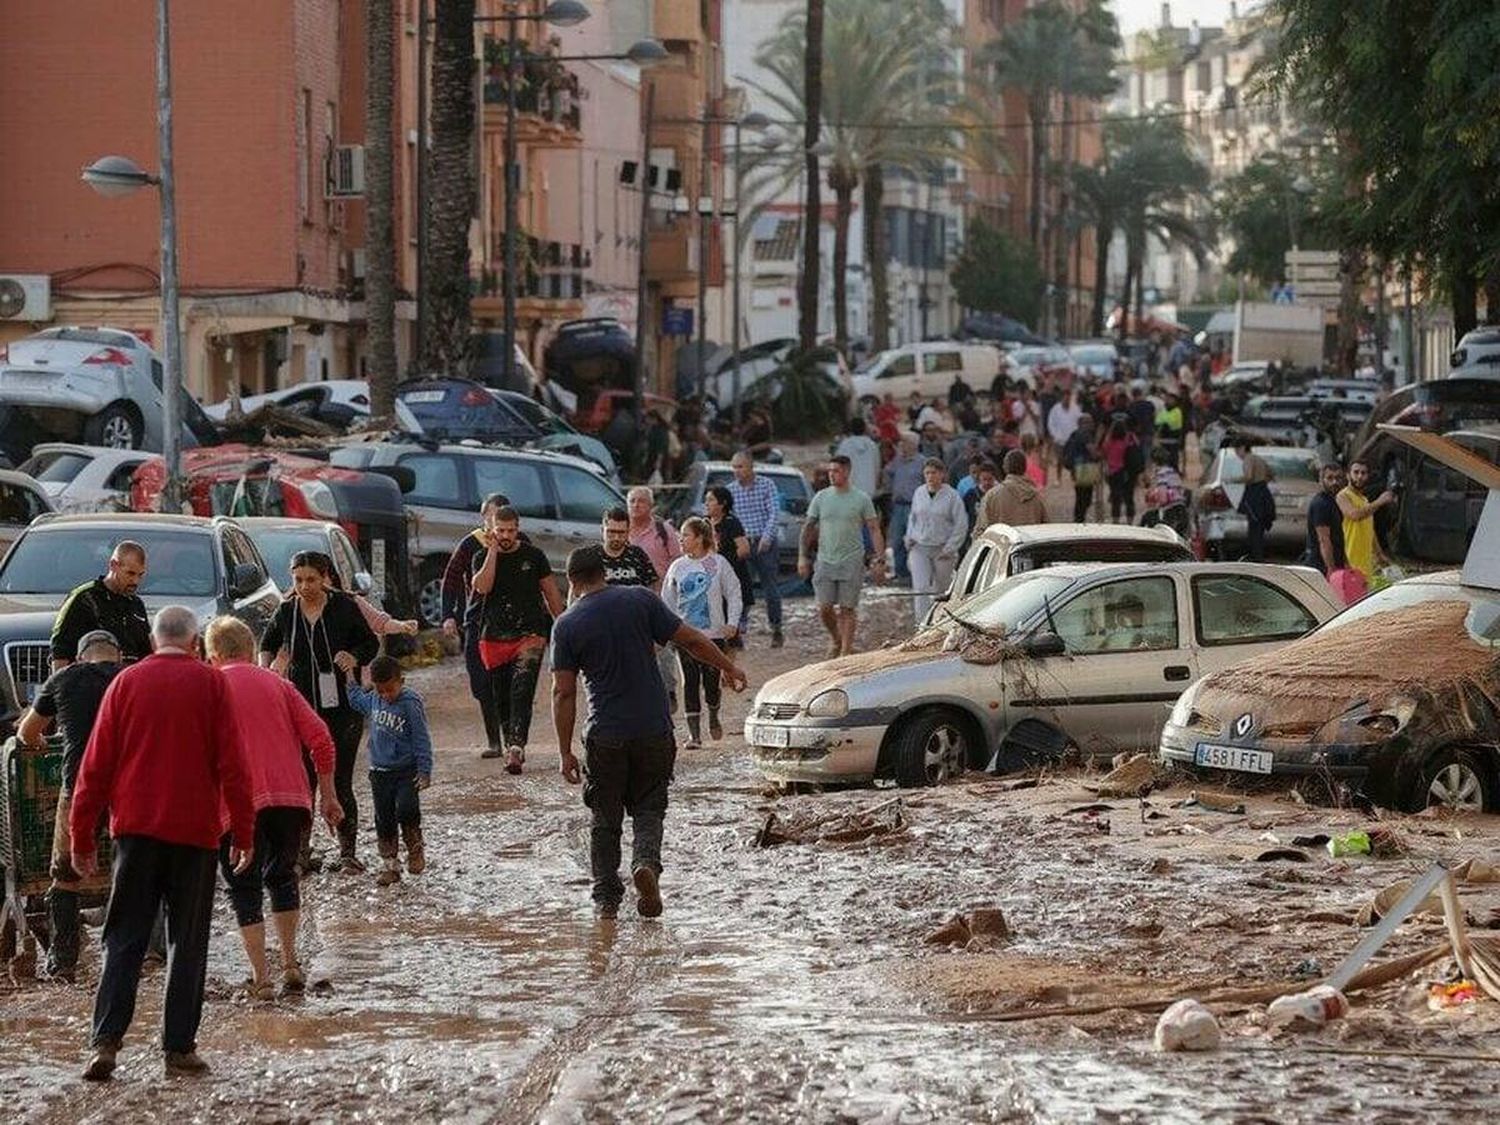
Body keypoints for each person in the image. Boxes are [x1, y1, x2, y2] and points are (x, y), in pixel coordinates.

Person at [71, 606, 254, 1081]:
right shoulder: (212, 684)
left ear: (154, 642)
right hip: (194, 835)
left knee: (124, 938)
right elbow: (233, 764)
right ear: (196, 644)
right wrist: (244, 831)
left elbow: (95, 767)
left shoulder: (125, 684)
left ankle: (105, 1045)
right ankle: (178, 1049)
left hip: (134, 833)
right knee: (186, 942)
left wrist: (81, 834)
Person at [550, 548, 747, 919]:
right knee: (649, 809)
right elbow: (690, 640)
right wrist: (728, 668)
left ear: (572, 581)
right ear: (604, 572)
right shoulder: (640, 599)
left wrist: (564, 751)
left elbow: (563, 692)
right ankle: (645, 865)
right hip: (654, 731)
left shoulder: (567, 623)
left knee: (605, 820)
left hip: (605, 734)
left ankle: (606, 901)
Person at [205, 616, 341, 1000]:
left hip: (235, 806)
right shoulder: (280, 685)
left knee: (242, 887)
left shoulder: (210, 688)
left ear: (212, 656)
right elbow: (322, 739)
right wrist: (328, 794)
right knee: (282, 877)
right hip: (290, 800)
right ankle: (291, 963)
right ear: (250, 651)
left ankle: (262, 978)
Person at [259, 551, 380, 872]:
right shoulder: (287, 611)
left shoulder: (344, 607)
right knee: (303, 781)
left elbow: (371, 643)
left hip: (342, 707)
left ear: (325, 578)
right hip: (300, 706)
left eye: (311, 579)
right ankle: (301, 853)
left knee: (340, 779)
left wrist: (354, 657)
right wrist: (267, 672)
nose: (304, 586)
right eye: (298, 580)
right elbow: (266, 642)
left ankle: (347, 852)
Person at [16, 629, 123, 981]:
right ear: (118, 656)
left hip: (79, 784)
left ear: (79, 657)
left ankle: (63, 963)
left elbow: (27, 734)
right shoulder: (129, 677)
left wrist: (44, 742)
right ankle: (148, 955)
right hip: (129, 786)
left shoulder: (63, 678)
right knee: (136, 868)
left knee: (66, 875)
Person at [470, 506, 565, 775]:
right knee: (502, 696)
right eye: (501, 530)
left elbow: (551, 593)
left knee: (521, 690)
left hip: (530, 634)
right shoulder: (481, 556)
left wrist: (565, 624)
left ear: (518, 527)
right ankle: (510, 741)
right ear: (492, 529)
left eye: (511, 530)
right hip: (494, 636)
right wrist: (492, 552)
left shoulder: (534, 556)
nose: (506, 535)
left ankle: (516, 748)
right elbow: (483, 587)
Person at [348, 655, 433, 887]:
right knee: (383, 818)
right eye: (380, 690)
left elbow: (421, 737)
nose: (386, 695)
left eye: (390, 689)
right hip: (379, 772)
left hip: (406, 771)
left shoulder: (410, 702)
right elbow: (356, 699)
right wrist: (348, 674)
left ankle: (415, 848)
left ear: (401, 681)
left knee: (407, 810)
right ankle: (390, 865)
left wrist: (425, 770)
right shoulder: (374, 699)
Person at [442, 494, 516, 759]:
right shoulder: (470, 544)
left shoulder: (520, 545)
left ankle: (511, 740)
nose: (493, 523)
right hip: (477, 621)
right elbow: (450, 580)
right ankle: (493, 740)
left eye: (499, 518)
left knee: (508, 682)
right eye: (489, 517)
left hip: (510, 623)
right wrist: (447, 615)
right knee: (482, 683)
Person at [661, 518, 743, 748]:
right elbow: (667, 601)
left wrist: (732, 623)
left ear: (699, 538)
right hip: (685, 635)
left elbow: (734, 593)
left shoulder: (718, 563)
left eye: (686, 535)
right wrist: (667, 630)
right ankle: (694, 735)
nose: (681, 540)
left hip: (713, 634)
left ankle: (714, 713)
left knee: (711, 681)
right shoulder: (677, 567)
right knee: (689, 681)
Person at [800, 455, 885, 658]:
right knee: (824, 607)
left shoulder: (861, 498)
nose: (831, 474)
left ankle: (846, 650)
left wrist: (880, 560)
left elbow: (874, 529)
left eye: (836, 471)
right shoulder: (821, 497)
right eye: (830, 471)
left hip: (852, 559)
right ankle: (836, 638)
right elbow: (808, 528)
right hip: (825, 559)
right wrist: (802, 557)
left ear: (847, 472)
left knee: (847, 608)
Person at [50, 541, 152, 671]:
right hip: (91, 681)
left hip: (128, 683)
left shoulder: (136, 604)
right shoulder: (85, 598)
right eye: (130, 573)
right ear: (113, 565)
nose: (135, 581)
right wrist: (61, 686)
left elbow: (145, 652)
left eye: (140, 575)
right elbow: (60, 649)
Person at [627, 485, 684, 708]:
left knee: (662, 646)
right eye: (632, 500)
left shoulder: (663, 530)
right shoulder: (622, 531)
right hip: (628, 601)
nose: (636, 505)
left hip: (660, 597)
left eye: (641, 501)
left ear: (651, 506)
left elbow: (678, 562)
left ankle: (668, 691)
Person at [726, 452, 784, 648]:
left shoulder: (767, 485)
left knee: (770, 587)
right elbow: (728, 519)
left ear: (751, 467)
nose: (737, 471)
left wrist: (767, 538)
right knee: (739, 587)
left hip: (764, 542)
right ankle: (738, 630)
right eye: (734, 467)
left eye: (740, 467)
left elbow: (774, 513)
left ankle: (776, 628)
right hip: (741, 543)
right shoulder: (730, 490)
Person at [905, 458, 967, 623]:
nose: (930, 477)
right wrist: (909, 537)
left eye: (933, 473)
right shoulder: (919, 492)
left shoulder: (952, 496)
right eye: (927, 473)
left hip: (942, 548)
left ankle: (941, 622)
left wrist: (950, 548)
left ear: (942, 474)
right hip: (920, 547)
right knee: (921, 588)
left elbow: (961, 525)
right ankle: (921, 624)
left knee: (942, 589)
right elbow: (913, 517)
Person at [704, 486, 752, 645]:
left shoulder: (731, 523)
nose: (707, 503)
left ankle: (735, 663)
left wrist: (724, 565)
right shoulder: (704, 523)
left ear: (722, 503)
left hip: (733, 580)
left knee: (732, 629)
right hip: (710, 582)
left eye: (711, 500)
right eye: (706, 500)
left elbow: (744, 549)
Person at [1338, 459, 1396, 583]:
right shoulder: (1343, 496)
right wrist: (1380, 501)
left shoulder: (1364, 500)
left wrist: (1379, 554)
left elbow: (1370, 528)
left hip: (1366, 561)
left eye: (1363, 473)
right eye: (1356, 472)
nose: (1360, 476)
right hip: (1350, 559)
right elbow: (1355, 515)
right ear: (1348, 475)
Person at [881, 433, 924, 585]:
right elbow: (886, 471)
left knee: (915, 541)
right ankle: (901, 574)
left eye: (904, 442)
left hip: (915, 506)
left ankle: (919, 574)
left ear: (913, 444)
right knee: (897, 541)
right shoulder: (897, 461)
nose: (901, 445)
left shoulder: (922, 462)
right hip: (898, 506)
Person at [978, 448, 1050, 531]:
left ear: (1005, 468)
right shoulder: (1036, 497)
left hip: (1002, 543)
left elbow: (981, 530)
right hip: (1029, 542)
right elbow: (1046, 528)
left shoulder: (992, 495)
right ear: (1024, 468)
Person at [591, 506, 660, 589]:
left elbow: (653, 586)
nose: (616, 537)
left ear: (628, 532)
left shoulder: (638, 555)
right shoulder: (591, 557)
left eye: (621, 533)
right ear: (602, 531)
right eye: (611, 532)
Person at [1232, 437, 1277, 562]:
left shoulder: (1248, 459)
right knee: (1259, 529)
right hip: (1263, 492)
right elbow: (1271, 474)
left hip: (1254, 494)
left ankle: (1256, 558)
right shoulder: (1259, 458)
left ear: (1241, 448)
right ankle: (1258, 555)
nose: (1237, 454)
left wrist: (1232, 480)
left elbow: (1249, 476)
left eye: (1237, 451)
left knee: (1254, 529)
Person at [1304, 461, 1350, 577]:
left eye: (1338, 478)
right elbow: (1324, 539)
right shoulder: (1321, 503)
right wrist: (1331, 568)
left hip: (1337, 561)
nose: (1334, 482)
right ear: (1322, 480)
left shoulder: (1337, 501)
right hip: (1321, 565)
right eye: (1329, 478)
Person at [1099, 416, 1141, 524]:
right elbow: (1137, 449)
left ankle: (1115, 521)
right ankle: (1130, 521)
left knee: (1115, 499)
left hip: (1113, 472)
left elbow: (1103, 453)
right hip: (1128, 471)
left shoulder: (1109, 442)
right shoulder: (1128, 440)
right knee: (1129, 498)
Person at [1061, 414, 1102, 522]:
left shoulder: (1074, 434)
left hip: (1076, 469)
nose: (1092, 424)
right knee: (1085, 497)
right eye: (1089, 422)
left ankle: (1078, 518)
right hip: (1085, 469)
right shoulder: (1085, 435)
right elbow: (1093, 452)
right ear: (1083, 423)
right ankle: (1079, 519)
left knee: (1080, 495)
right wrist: (1100, 455)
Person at [834, 415, 881, 499]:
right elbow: (877, 467)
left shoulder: (845, 445)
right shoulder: (872, 445)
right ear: (864, 429)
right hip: (868, 489)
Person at [1046, 389, 1083, 477]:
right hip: (1060, 439)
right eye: (1065, 397)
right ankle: (1058, 477)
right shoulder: (1055, 409)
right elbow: (1050, 423)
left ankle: (1074, 476)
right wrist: (1055, 435)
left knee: (1073, 459)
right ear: (1062, 398)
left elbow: (1080, 421)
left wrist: (1077, 435)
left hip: (1072, 439)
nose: (1067, 399)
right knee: (1060, 459)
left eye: (1068, 397)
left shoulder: (1075, 408)